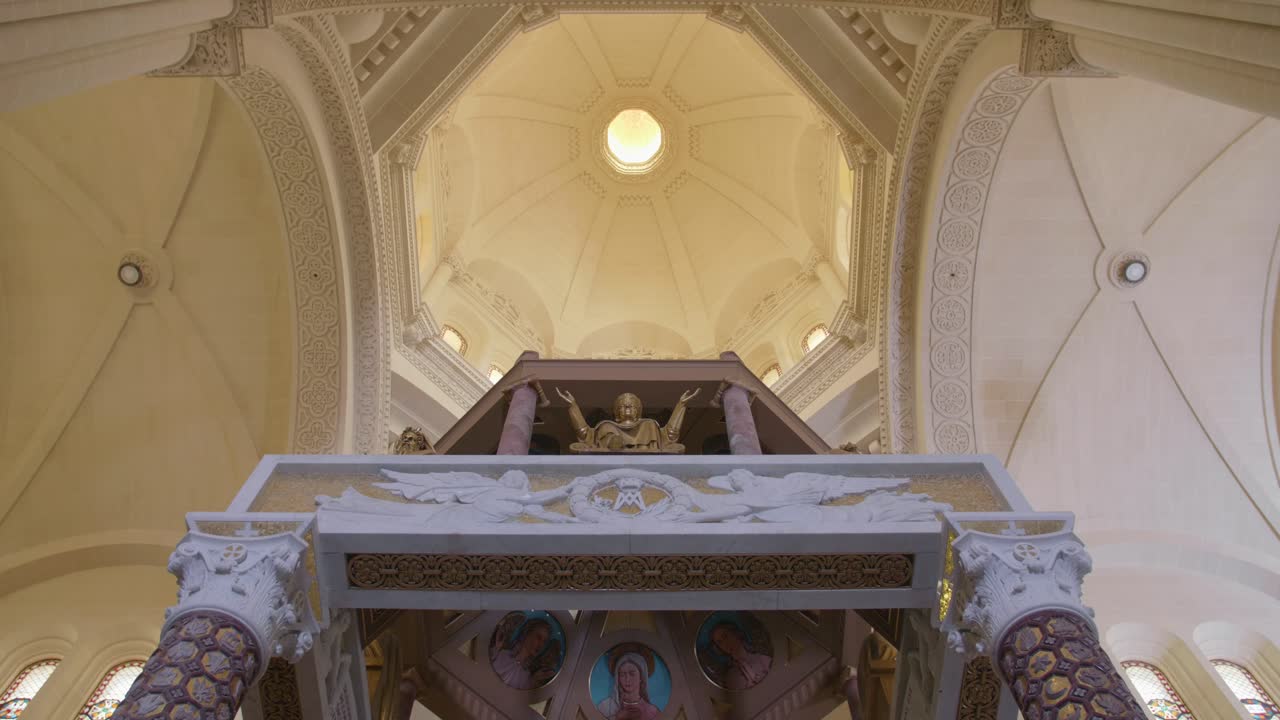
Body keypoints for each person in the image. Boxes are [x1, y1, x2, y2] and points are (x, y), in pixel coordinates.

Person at [490, 618, 558, 690]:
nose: (541, 644)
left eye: (544, 641)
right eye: (538, 637)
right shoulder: (500, 653)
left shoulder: (528, 679)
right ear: (527, 633)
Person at [596, 653, 662, 720]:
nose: (627, 679)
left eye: (632, 674)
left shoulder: (652, 712)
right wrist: (617, 718)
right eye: (622, 675)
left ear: (641, 677)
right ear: (617, 678)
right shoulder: (605, 707)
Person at [708, 622, 773, 690]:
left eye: (725, 636)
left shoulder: (762, 658)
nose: (725, 643)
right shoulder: (731, 676)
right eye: (720, 642)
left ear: (735, 633)